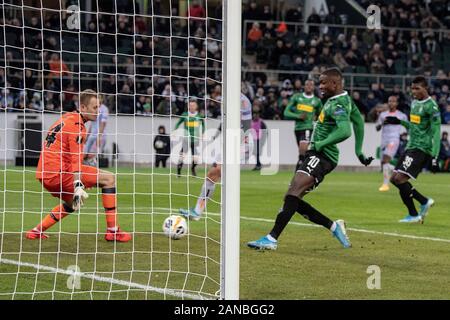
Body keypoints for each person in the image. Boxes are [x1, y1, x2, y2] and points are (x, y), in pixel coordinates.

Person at [247, 68, 374, 250]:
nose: (320, 86)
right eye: (319, 82)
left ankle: (271, 239)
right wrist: (359, 151)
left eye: (323, 83)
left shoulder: (338, 103)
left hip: (323, 156)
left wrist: (322, 143)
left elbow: (345, 130)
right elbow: (358, 122)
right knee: (292, 198)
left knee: (294, 192)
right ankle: (334, 226)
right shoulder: (343, 100)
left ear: (335, 83)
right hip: (318, 154)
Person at [26, 89, 131, 242]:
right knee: (109, 179)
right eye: (95, 108)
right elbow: (75, 161)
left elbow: (63, 149)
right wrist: (78, 184)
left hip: (44, 174)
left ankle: (36, 231)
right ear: (83, 107)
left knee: (74, 203)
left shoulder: (66, 118)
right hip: (59, 173)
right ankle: (113, 231)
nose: (98, 112)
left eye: (99, 107)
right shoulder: (78, 126)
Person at [178, 93, 252, 221]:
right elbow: (223, 126)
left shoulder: (243, 101)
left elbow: (244, 124)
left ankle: (227, 219)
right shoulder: (227, 104)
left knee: (220, 175)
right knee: (212, 174)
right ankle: (197, 212)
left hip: (241, 145)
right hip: (229, 145)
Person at [384, 76, 441, 223]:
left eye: (417, 88)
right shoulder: (414, 103)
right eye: (412, 88)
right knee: (394, 179)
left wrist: (435, 156)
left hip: (422, 148)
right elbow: (414, 126)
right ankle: (422, 203)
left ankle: (415, 213)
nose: (414, 91)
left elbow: (436, 132)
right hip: (411, 146)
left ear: (425, 88)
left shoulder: (431, 106)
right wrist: (399, 122)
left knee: (399, 178)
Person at [283, 79, 322, 171]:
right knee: (302, 154)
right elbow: (286, 112)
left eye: (311, 85)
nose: (308, 86)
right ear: (304, 86)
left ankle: (299, 173)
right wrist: (298, 116)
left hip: (308, 128)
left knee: (302, 151)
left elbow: (321, 116)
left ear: (313, 87)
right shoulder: (297, 97)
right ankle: (305, 170)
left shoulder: (317, 101)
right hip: (297, 128)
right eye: (307, 84)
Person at [375, 95, 408, 191]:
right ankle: (401, 170)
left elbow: (407, 128)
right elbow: (376, 128)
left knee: (385, 160)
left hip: (394, 140)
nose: (391, 103)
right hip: (384, 141)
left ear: (396, 103)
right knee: (383, 163)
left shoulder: (401, 115)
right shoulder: (383, 115)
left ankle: (385, 185)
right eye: (389, 101)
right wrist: (382, 124)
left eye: (393, 101)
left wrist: (404, 135)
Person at [175, 100, 205, 177]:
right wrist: (175, 131)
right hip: (186, 139)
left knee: (196, 159)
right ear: (188, 106)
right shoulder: (185, 115)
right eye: (190, 105)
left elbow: (203, 124)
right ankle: (178, 171)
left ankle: (192, 168)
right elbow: (178, 123)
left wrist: (203, 133)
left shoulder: (199, 116)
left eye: (193, 105)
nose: (191, 107)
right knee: (182, 156)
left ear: (196, 106)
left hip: (195, 140)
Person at [84, 95, 109, 166]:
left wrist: (99, 135)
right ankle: (87, 169)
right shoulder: (93, 108)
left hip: (100, 136)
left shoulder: (104, 109)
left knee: (92, 155)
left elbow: (103, 123)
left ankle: (94, 170)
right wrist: (87, 135)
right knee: (84, 154)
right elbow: (92, 124)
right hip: (92, 135)